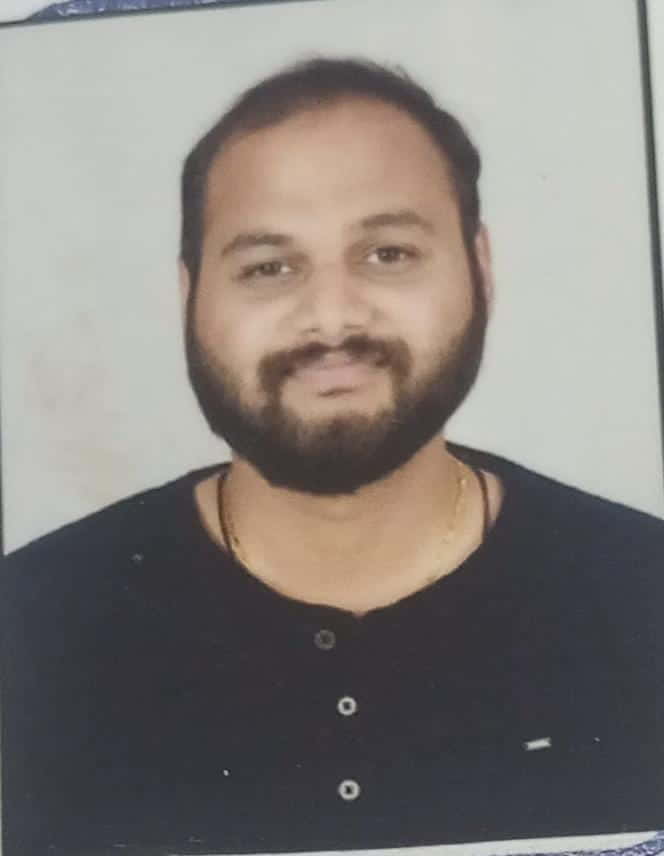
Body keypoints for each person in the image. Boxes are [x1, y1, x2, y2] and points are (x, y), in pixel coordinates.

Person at [1, 57, 662, 856]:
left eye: (388, 253)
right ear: (189, 299)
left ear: (481, 271)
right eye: (268, 267)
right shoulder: (29, 628)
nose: (332, 317)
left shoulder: (643, 597)